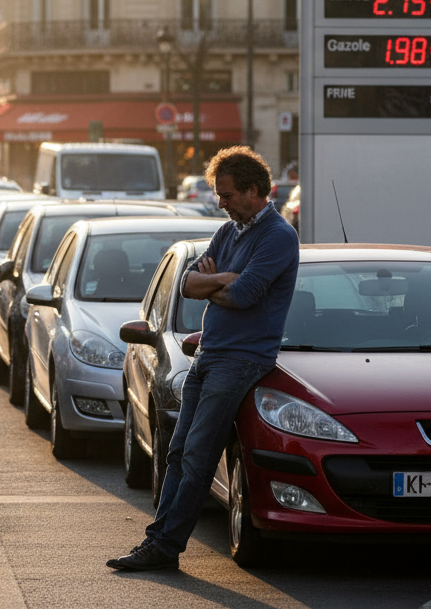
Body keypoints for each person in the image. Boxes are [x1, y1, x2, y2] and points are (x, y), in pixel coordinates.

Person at [106, 146, 300, 572]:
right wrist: (222, 279)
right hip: (209, 353)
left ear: (253, 190)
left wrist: (217, 282)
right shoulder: (230, 231)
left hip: (241, 360)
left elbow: (244, 295)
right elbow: (185, 287)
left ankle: (164, 546)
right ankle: (159, 540)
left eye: (227, 194)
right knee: (178, 451)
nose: (221, 202)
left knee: (197, 455)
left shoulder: (278, 236)